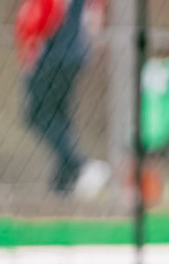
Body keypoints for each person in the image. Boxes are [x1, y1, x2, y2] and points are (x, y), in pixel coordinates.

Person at [16, 0, 112, 198]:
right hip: (73, 54)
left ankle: (81, 165)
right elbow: (94, 16)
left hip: (52, 56)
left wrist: (32, 43)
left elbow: (44, 14)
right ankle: (63, 183)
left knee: (37, 114)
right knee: (59, 116)